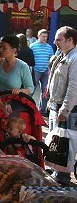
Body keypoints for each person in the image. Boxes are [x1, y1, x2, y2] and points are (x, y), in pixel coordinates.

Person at [46, 26, 77, 186]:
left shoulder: (75, 58)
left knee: (64, 144)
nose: (54, 42)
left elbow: (73, 86)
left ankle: (63, 178)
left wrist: (65, 109)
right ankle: (54, 170)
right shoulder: (61, 55)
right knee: (55, 140)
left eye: (58, 39)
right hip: (55, 106)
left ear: (69, 40)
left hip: (68, 110)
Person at [30, 29, 54, 116]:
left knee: (45, 91)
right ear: (38, 36)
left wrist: (50, 70)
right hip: (35, 71)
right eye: (43, 36)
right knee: (31, 89)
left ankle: (42, 111)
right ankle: (28, 107)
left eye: (46, 37)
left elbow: (52, 59)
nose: (45, 38)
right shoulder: (32, 46)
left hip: (46, 72)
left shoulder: (49, 47)